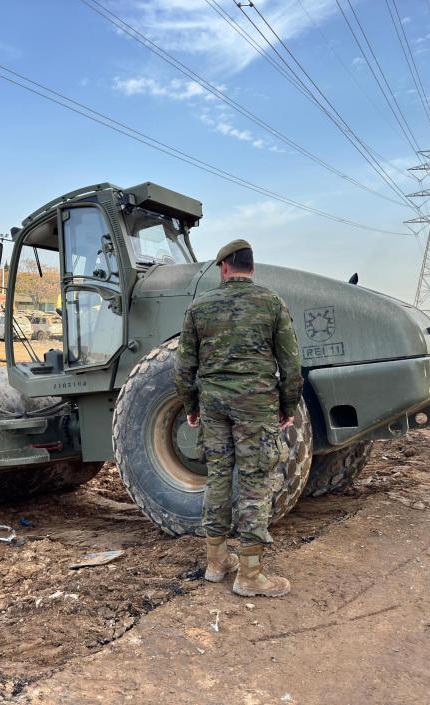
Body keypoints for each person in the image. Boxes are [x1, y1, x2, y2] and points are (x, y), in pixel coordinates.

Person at [174, 239, 302, 598]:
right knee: (254, 482)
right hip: (256, 407)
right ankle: (250, 573)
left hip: (214, 406)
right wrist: (287, 408)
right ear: (250, 267)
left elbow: (183, 367)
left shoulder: (200, 307)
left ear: (224, 267)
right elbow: (291, 366)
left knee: (217, 476)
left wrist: (191, 407)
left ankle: (217, 561)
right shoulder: (271, 302)